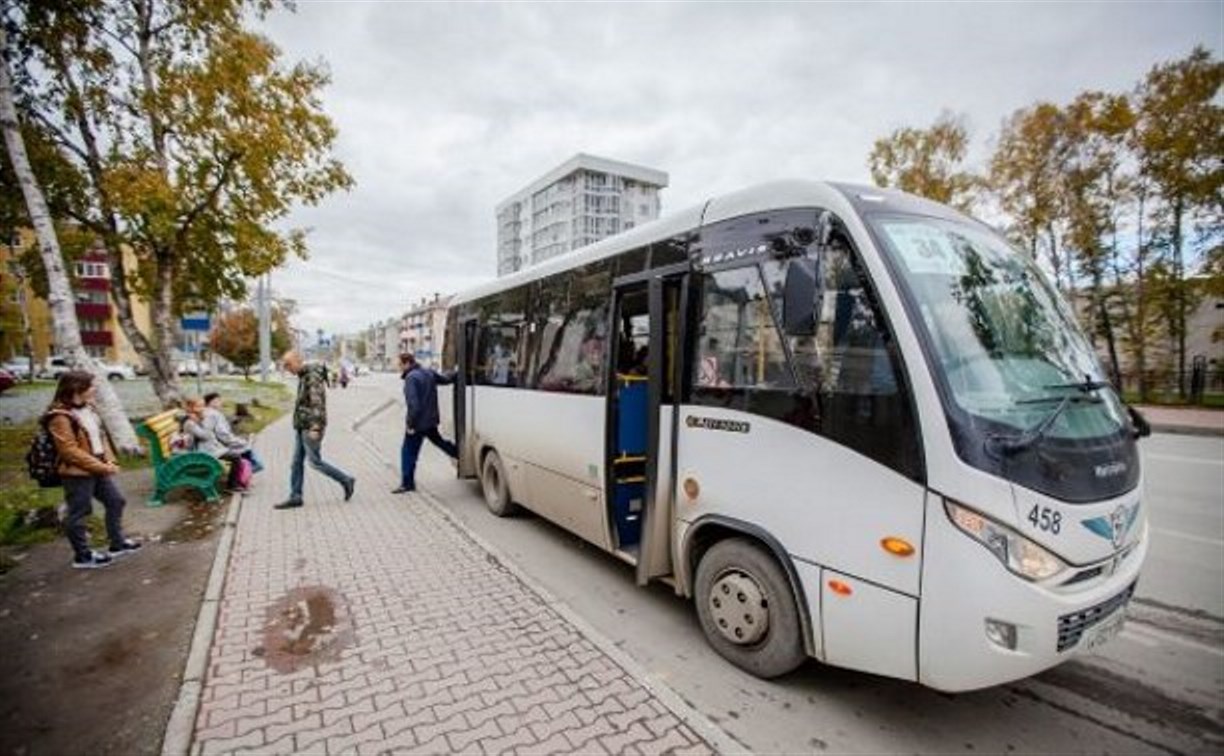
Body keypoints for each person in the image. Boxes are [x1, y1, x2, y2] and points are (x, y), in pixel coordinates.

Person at [44, 370, 141, 569]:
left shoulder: (89, 408)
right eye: (91, 386)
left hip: (98, 467)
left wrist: (110, 461)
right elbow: (69, 451)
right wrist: (101, 467)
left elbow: (101, 437)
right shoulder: (60, 417)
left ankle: (117, 543)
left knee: (116, 501)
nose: (94, 389)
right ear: (77, 388)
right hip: (76, 472)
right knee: (79, 512)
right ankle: (83, 556)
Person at [276, 351, 356, 509]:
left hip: (311, 426)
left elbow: (317, 402)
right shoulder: (304, 374)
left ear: (298, 361)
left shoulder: (312, 376)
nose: (287, 369)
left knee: (315, 462)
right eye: (285, 366)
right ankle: (296, 496)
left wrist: (315, 426)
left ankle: (346, 480)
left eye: (288, 365)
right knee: (296, 462)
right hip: (302, 424)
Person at [393, 352, 458, 494]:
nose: (399, 368)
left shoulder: (411, 378)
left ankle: (407, 483)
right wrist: (458, 373)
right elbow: (446, 379)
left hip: (418, 424)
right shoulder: (428, 373)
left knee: (408, 452)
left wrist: (410, 425)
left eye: (400, 365)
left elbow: (414, 405)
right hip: (431, 421)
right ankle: (459, 453)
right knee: (440, 442)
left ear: (407, 363)